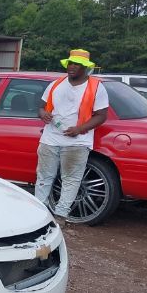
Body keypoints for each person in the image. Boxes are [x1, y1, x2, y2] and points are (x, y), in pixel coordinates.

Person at [36, 48, 108, 228]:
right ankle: (38, 212)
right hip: (50, 138)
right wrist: (43, 114)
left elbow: (101, 115)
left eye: (77, 64)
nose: (72, 67)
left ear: (85, 68)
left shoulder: (96, 87)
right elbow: (42, 107)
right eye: (70, 63)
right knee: (44, 176)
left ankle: (60, 215)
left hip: (77, 141)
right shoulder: (56, 84)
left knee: (71, 179)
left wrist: (80, 129)